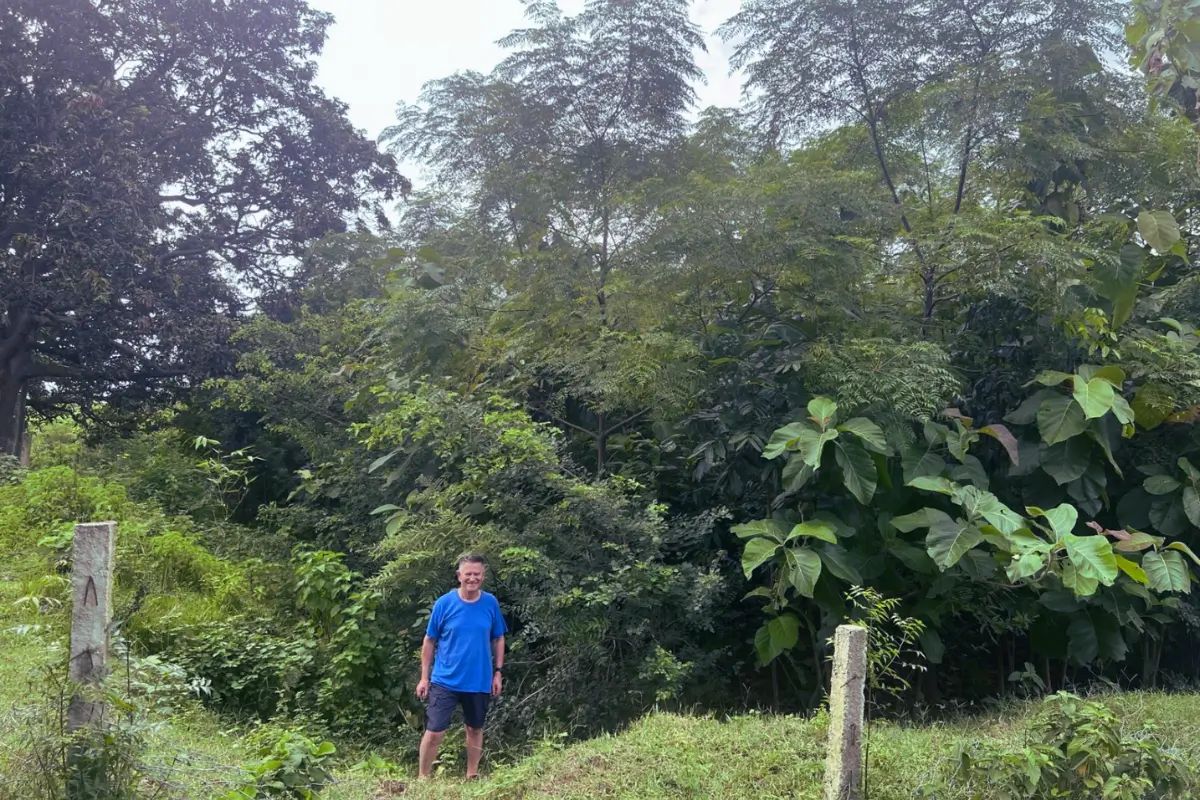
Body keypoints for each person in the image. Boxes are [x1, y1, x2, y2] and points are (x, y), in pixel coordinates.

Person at [415, 553, 507, 779]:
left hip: (479, 679)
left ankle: (471, 774)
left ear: (483, 576)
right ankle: (423, 778)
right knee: (435, 731)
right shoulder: (444, 604)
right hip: (445, 679)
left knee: (475, 728)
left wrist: (498, 672)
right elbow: (429, 640)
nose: (472, 578)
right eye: (468, 574)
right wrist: (424, 677)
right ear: (459, 576)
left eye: (477, 574)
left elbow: (498, 638)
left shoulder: (490, 603)